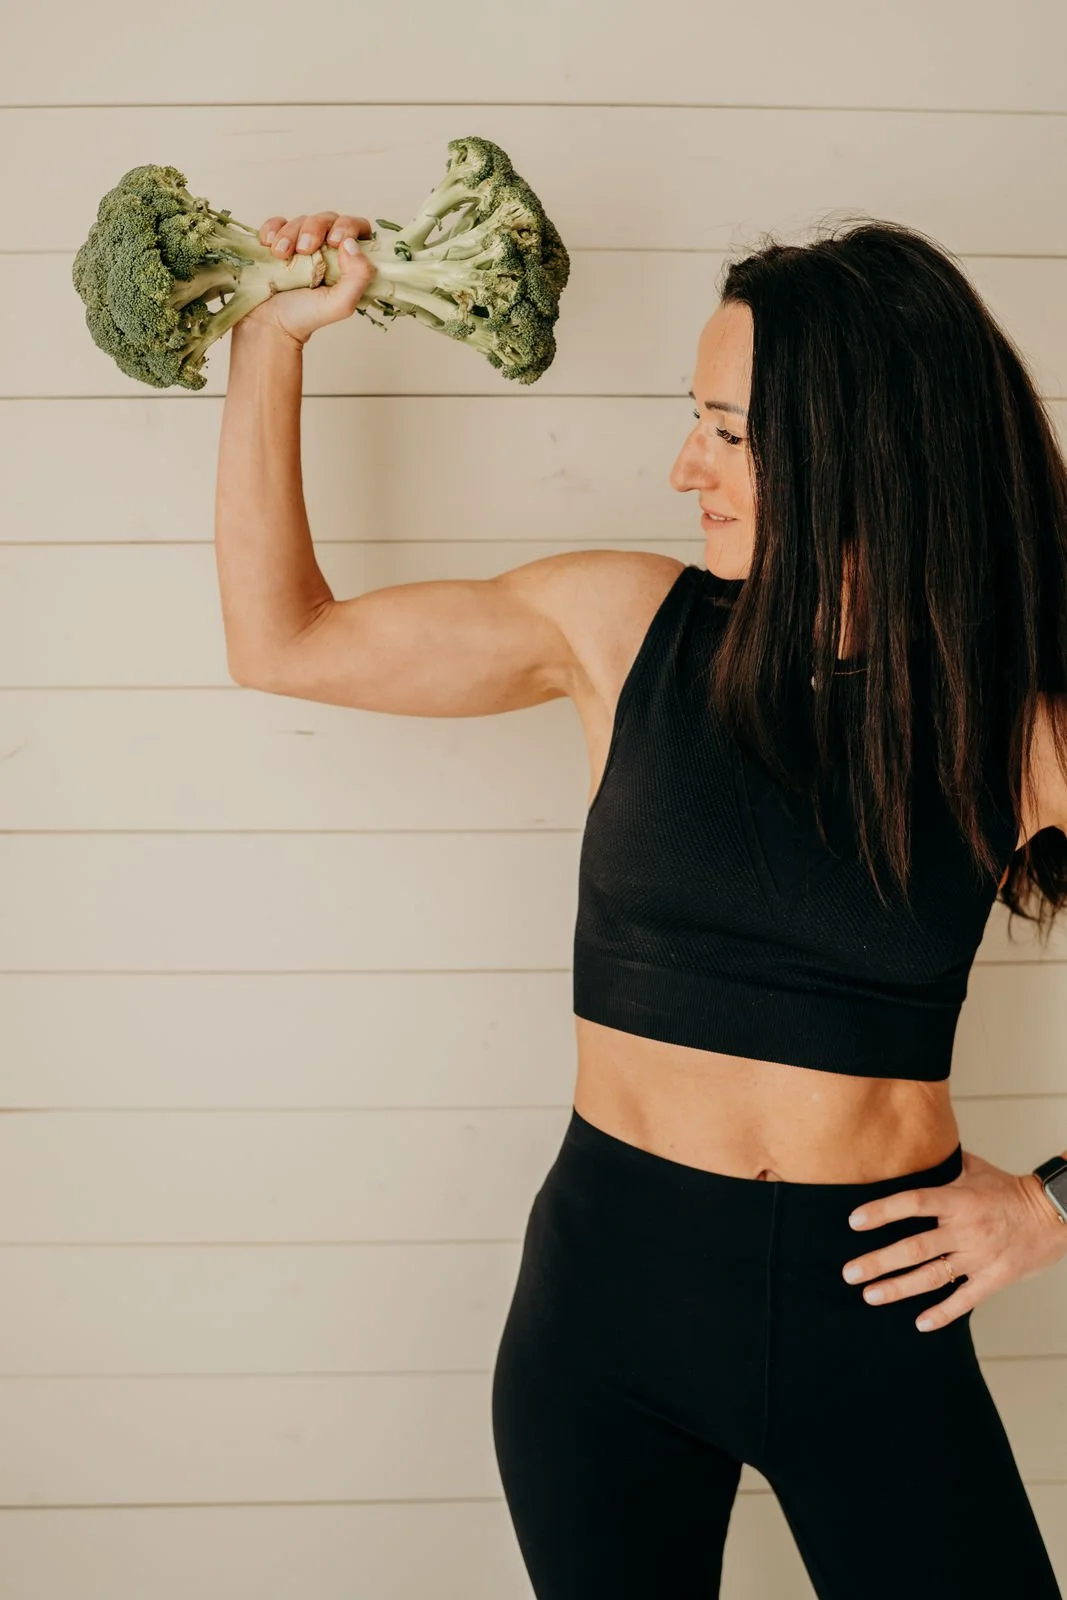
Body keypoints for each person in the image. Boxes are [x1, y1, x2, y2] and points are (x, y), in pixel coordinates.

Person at [215, 209, 1067, 1597]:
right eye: (696, 422)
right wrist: (269, 339)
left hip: (868, 1317)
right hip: (602, 1311)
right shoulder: (619, 629)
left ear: (857, 443)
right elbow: (282, 640)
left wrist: (1049, 1208)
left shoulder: (1007, 736)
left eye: (726, 433)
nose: (684, 468)